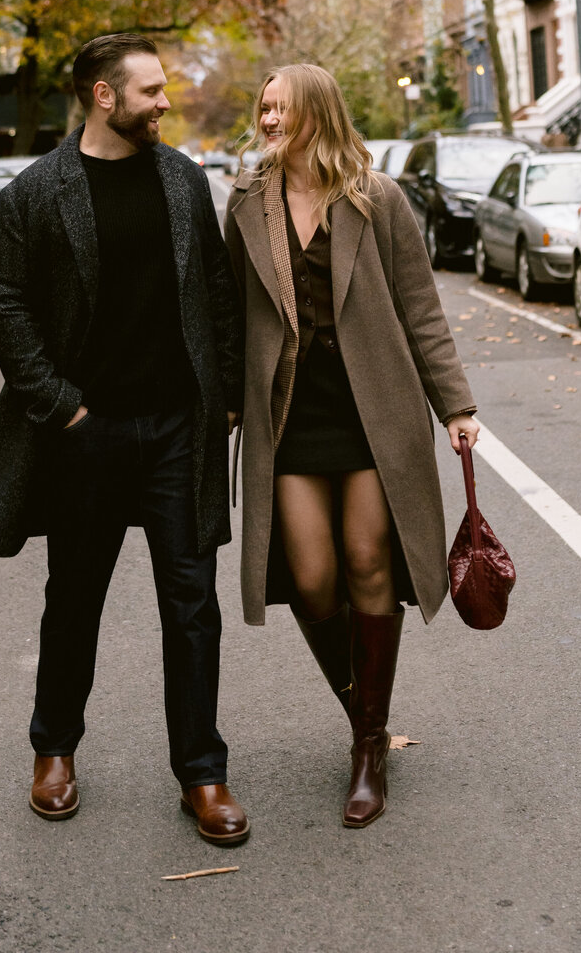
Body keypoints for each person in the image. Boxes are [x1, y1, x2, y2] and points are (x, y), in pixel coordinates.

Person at [0, 32, 248, 845]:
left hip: (175, 433)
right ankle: (53, 750)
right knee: (74, 601)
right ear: (103, 95)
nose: (166, 103)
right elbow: (6, 305)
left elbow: (217, 295)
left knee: (192, 606)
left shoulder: (183, 180)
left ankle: (203, 772)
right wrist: (62, 408)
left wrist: (223, 398)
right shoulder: (36, 193)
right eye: (151, 91)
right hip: (84, 434)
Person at [224, 63, 479, 829]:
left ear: (317, 113)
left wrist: (455, 405)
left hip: (374, 411)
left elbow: (421, 308)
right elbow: (230, 313)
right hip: (291, 415)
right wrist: (225, 403)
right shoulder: (244, 203)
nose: (268, 119)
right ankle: (359, 704)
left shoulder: (377, 199)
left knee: (370, 561)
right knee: (309, 576)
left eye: (281, 108)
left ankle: (369, 742)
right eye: (262, 106)